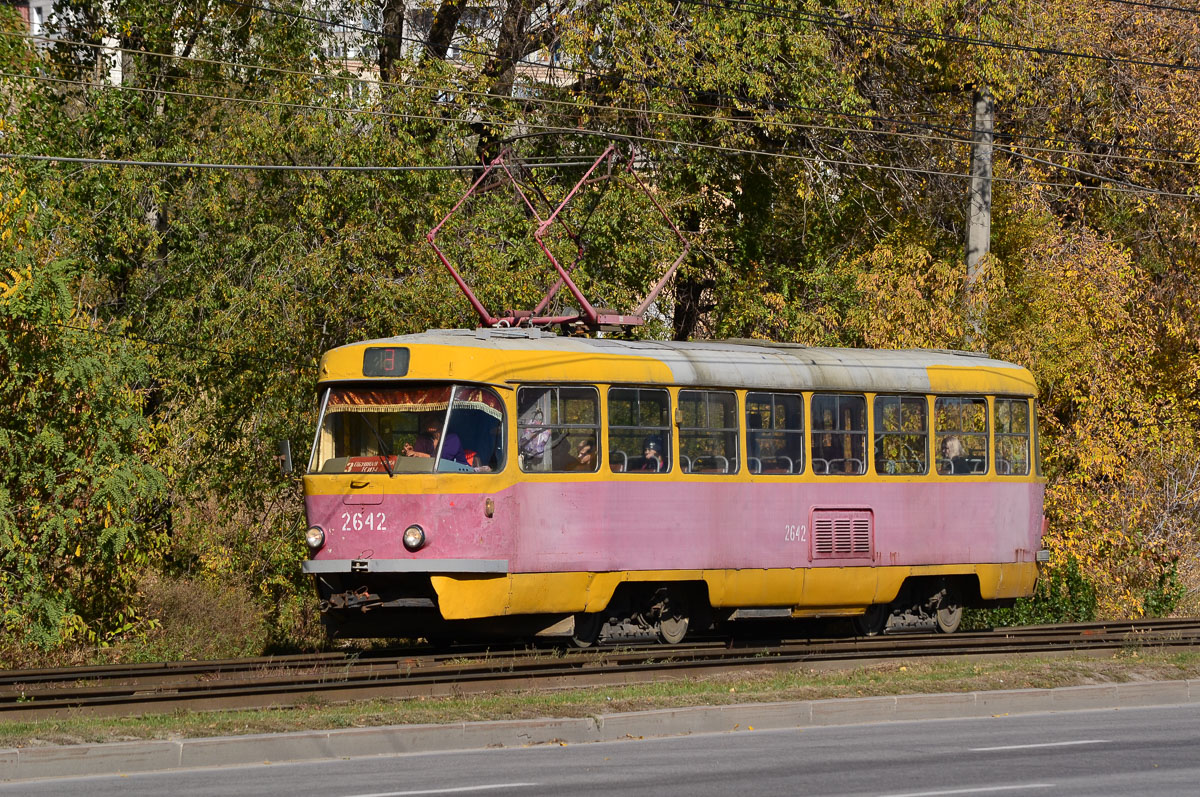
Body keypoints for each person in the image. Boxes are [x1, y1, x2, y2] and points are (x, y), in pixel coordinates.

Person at [403, 418, 469, 466]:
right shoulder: (423, 438)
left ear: (442, 422)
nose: (427, 422)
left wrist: (417, 454)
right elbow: (418, 457)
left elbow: (442, 460)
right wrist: (411, 453)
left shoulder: (452, 438)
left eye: (431, 419)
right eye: (426, 418)